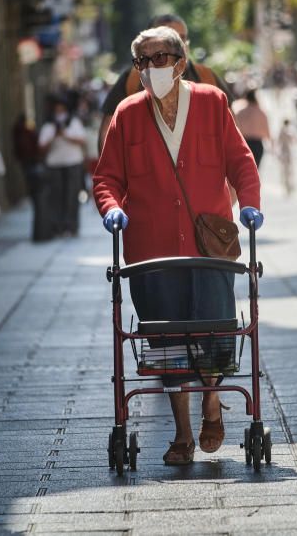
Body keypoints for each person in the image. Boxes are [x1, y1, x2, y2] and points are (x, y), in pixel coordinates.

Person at [93, 26, 263, 466]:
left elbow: (240, 160)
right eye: (142, 61)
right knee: (166, 342)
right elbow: (106, 177)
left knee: (211, 331)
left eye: (160, 58)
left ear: (181, 62)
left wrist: (250, 205)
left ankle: (211, 403)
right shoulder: (127, 113)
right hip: (151, 250)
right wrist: (110, 208)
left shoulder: (211, 102)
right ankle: (182, 433)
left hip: (208, 246)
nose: (152, 69)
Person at [97, 14, 229, 154]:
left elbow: (233, 141)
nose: (177, 43)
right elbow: (107, 136)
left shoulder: (207, 79)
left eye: (182, 38)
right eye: (166, 38)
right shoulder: (132, 81)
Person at [39, 95, 86, 238]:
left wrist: (65, 135)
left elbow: (82, 140)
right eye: (57, 110)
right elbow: (41, 147)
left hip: (73, 164)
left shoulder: (74, 123)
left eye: (62, 110)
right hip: (54, 165)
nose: (60, 113)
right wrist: (54, 136)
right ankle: (57, 227)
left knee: (72, 196)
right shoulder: (48, 127)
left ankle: (71, 227)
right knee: (56, 197)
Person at [12, 112, 42, 241]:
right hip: (30, 160)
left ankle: (31, 191)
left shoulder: (17, 132)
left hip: (25, 161)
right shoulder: (25, 132)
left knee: (30, 180)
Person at [232, 88, 272, 167]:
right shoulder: (261, 112)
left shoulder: (240, 112)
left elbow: (236, 128)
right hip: (257, 144)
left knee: (245, 169)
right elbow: (266, 131)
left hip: (244, 142)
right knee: (255, 169)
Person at [275, 118, 296, 195]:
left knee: (285, 170)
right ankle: (288, 185)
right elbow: (291, 139)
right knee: (288, 170)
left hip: (284, 151)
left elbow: (278, 141)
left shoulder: (282, 131)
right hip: (286, 152)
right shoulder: (287, 131)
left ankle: (288, 185)